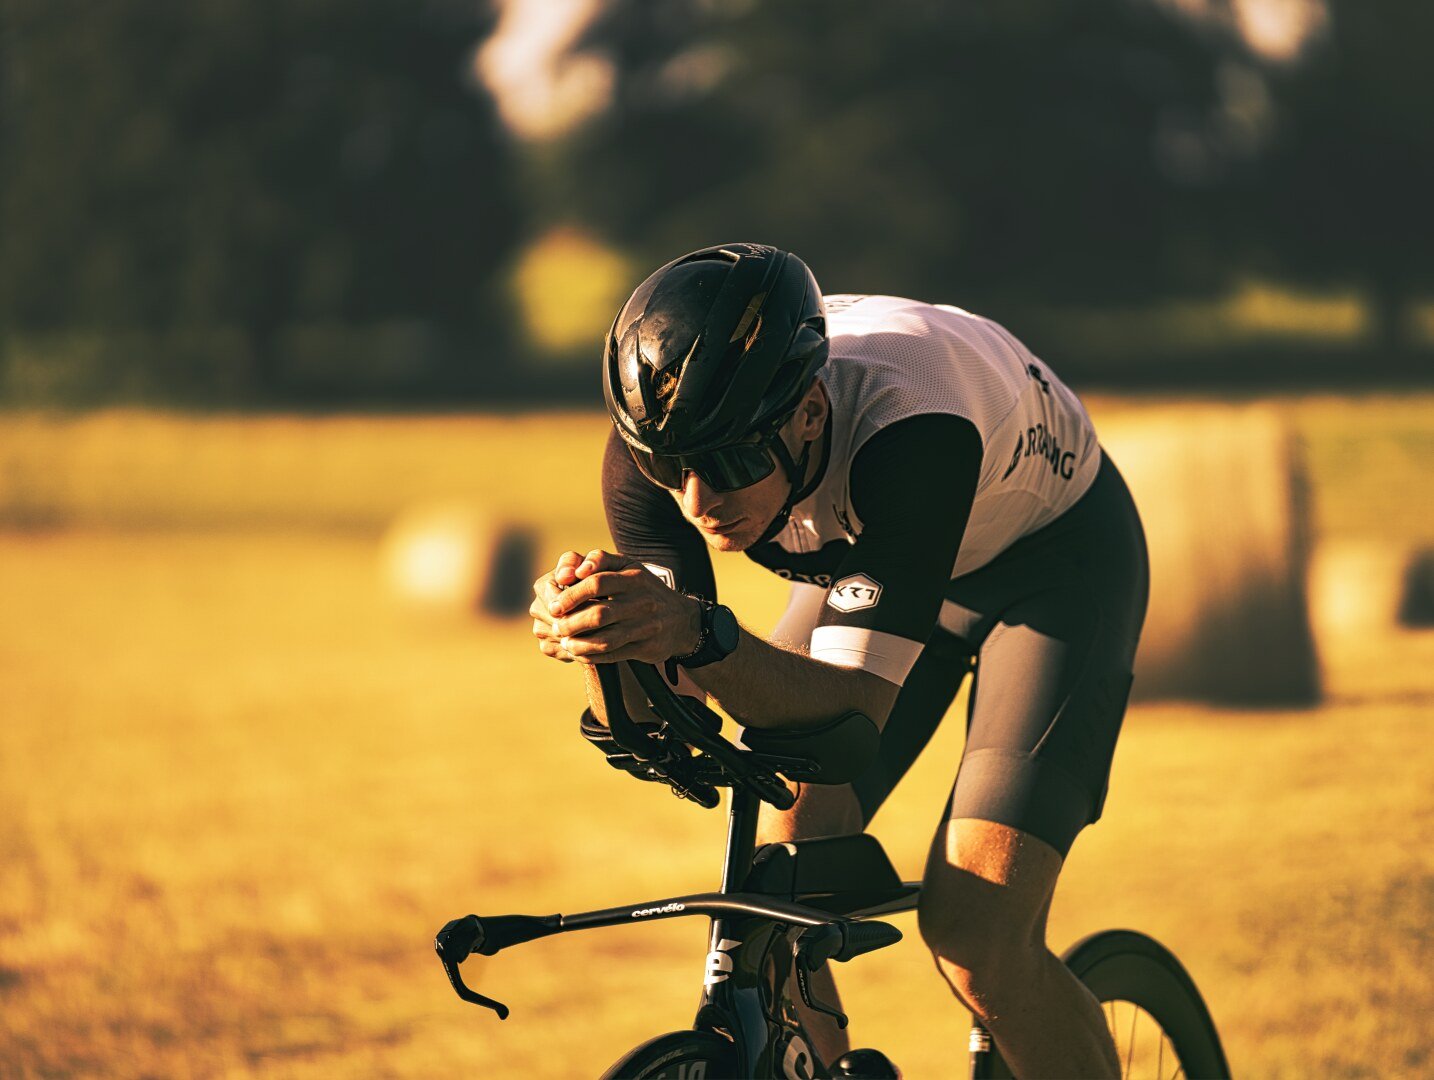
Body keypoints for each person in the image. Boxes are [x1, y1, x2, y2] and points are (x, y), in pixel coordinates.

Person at [529, 242, 1148, 1078]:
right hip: (878, 555)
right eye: (669, 467)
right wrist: (605, 646)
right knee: (775, 884)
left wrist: (695, 632)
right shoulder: (659, 453)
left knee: (976, 936)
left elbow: (852, 711)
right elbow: (674, 712)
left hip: (1052, 570)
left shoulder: (913, 425)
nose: (698, 503)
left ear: (810, 413)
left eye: (733, 463)